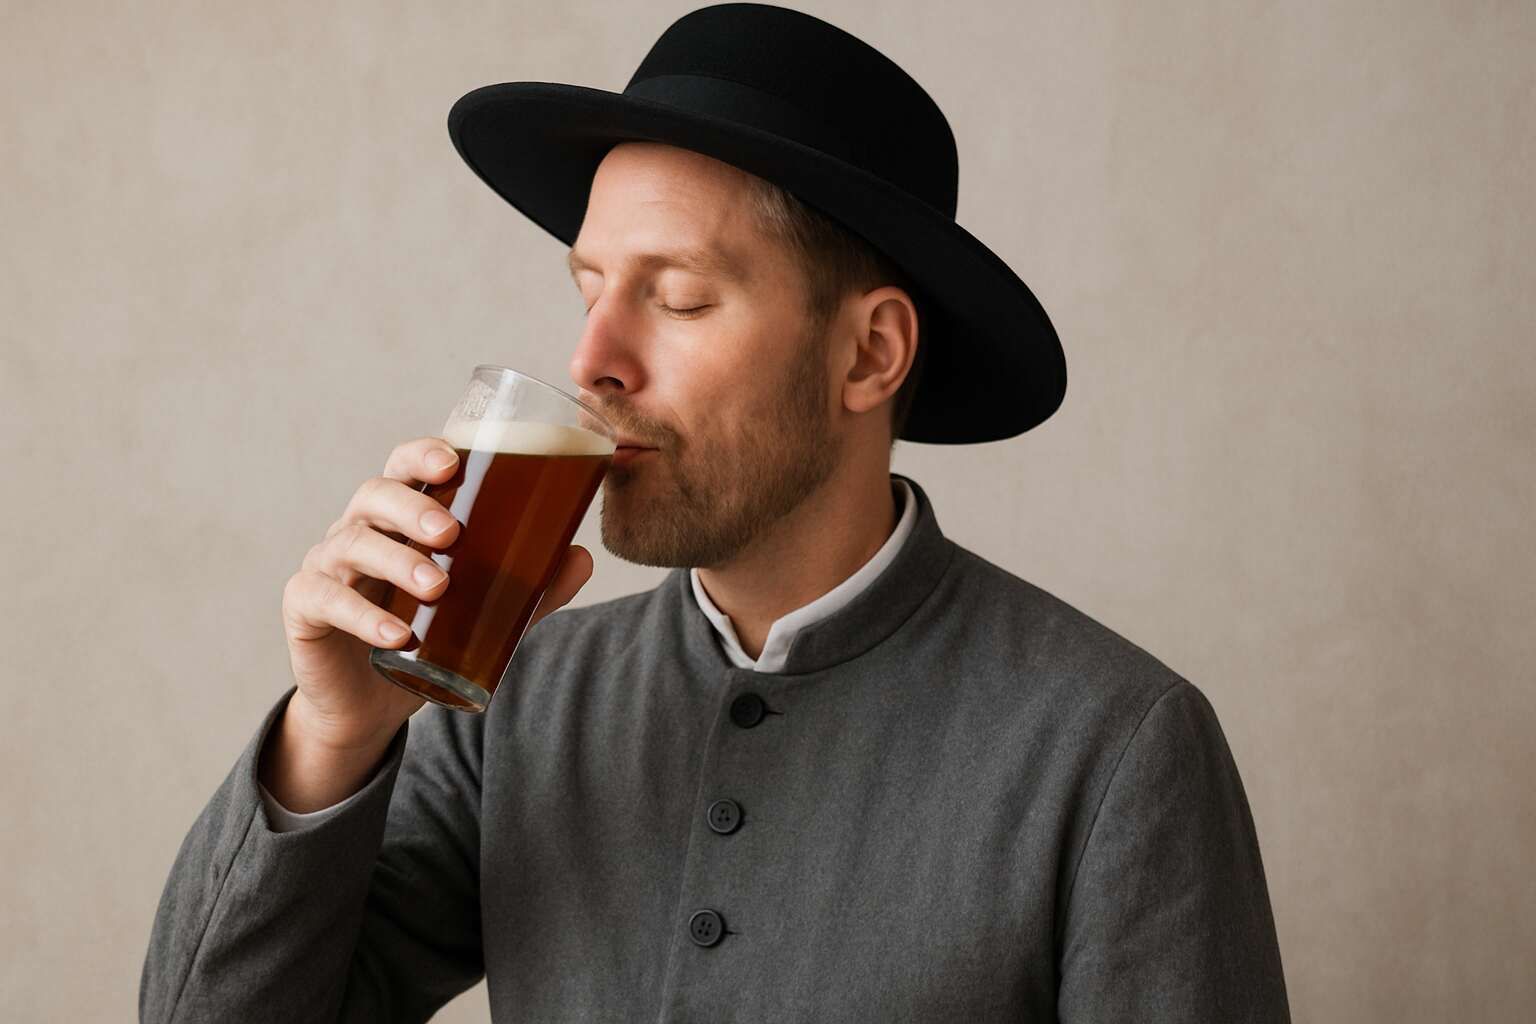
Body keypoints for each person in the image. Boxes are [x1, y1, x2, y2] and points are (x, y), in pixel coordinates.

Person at [140, 5, 1290, 1022]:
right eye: (588, 290)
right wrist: (332, 736)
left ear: (868, 352)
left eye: (679, 298)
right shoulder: (515, 696)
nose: (593, 361)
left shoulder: (1116, 746)